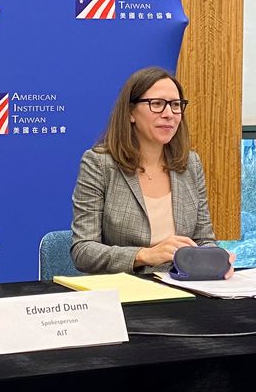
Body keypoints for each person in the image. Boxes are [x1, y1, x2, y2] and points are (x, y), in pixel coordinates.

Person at [71, 66, 233, 275]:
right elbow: (83, 250)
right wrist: (144, 255)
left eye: (176, 105)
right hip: (125, 292)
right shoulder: (99, 164)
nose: (169, 114)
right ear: (130, 113)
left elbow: (204, 240)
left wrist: (216, 260)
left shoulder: (190, 164)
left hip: (182, 288)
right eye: (156, 104)